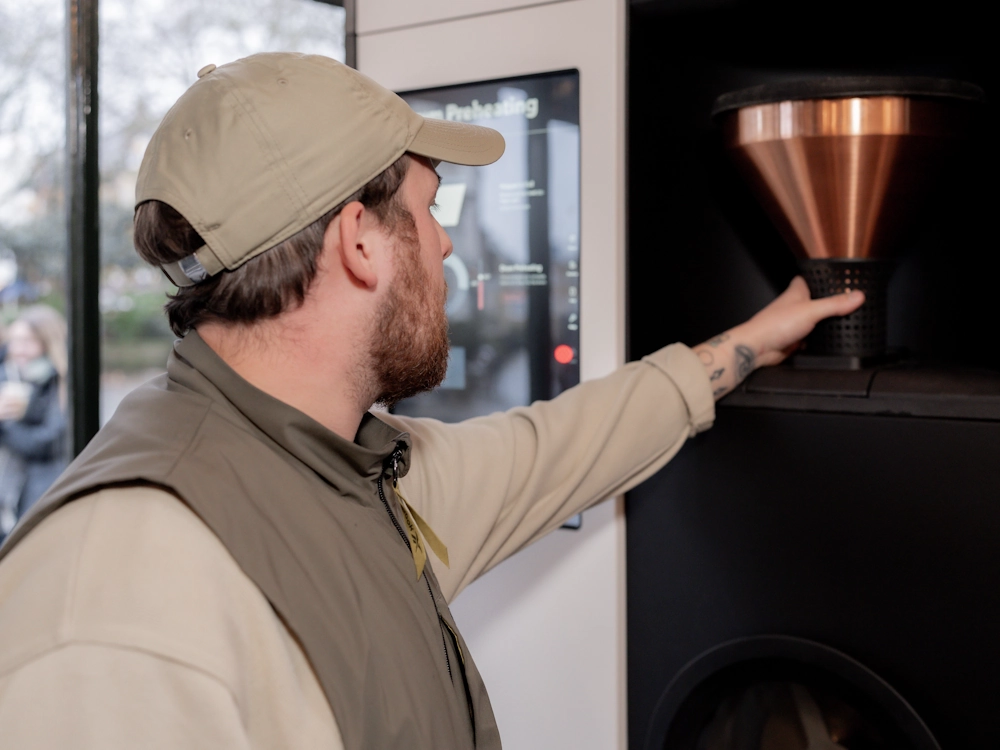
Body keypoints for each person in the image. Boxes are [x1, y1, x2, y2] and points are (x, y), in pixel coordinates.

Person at [0, 53, 863, 748]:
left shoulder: (352, 470)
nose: (448, 244)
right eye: (430, 209)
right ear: (360, 241)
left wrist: (746, 345)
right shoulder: (117, 600)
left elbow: (560, 445)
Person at [0, 305, 68, 539]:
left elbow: (49, 442)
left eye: (28, 342)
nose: (19, 350)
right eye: (15, 341)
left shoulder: (59, 384)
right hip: (8, 492)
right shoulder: (6, 377)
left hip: (39, 493)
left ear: (48, 343)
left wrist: (6, 423)